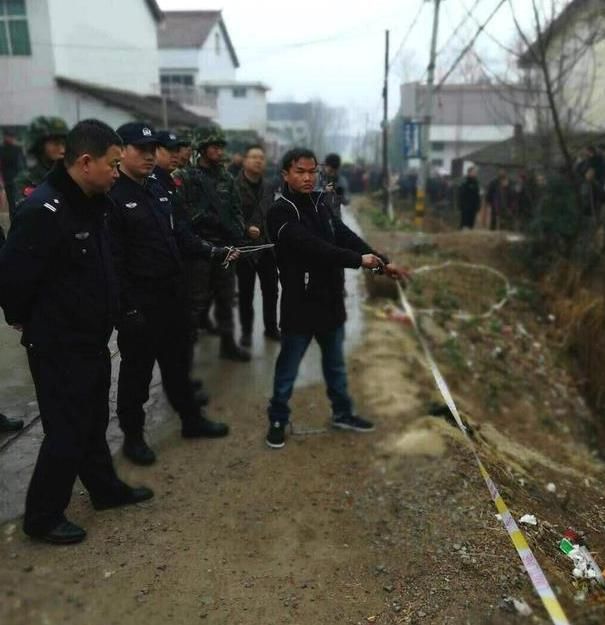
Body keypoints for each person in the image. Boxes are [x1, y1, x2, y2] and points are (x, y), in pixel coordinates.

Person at [0, 119, 154, 545]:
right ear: (86, 162)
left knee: (92, 421)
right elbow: (11, 280)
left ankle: (104, 489)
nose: (117, 172)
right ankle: (43, 516)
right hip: (58, 343)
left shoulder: (91, 202)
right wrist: (28, 319)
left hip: (90, 338)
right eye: (113, 164)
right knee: (66, 430)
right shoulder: (44, 211)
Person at [265, 148, 407, 449]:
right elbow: (312, 247)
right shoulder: (280, 212)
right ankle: (277, 419)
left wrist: (382, 262)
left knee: (335, 365)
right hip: (299, 303)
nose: (307, 177)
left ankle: (343, 412)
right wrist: (358, 260)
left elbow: (343, 235)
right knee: (288, 367)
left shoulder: (321, 203)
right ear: (286, 175)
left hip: (330, 299)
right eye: (300, 172)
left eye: (311, 172)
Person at [109, 122, 231, 466]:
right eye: (141, 150)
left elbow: (183, 235)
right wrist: (126, 309)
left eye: (153, 150)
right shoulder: (112, 196)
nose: (149, 156)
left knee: (177, 364)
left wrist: (212, 251)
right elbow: (113, 263)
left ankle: (191, 420)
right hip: (140, 303)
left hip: (172, 293)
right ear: (121, 152)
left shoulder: (159, 189)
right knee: (137, 374)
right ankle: (134, 437)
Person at [174, 126, 250, 362]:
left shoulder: (227, 178)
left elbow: (236, 209)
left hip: (225, 248)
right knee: (195, 303)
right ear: (203, 149)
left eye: (220, 147)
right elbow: (181, 213)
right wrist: (207, 223)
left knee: (226, 299)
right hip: (200, 250)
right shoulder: (185, 177)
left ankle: (228, 345)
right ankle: (183, 357)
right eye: (214, 147)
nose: (219, 151)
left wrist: (237, 231)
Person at [235, 144, 280, 347]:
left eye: (261, 157)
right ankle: (246, 332)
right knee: (245, 292)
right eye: (254, 157)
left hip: (267, 247)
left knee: (271, 290)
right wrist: (246, 228)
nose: (258, 161)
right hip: (245, 247)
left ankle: (271, 328)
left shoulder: (269, 186)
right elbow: (229, 215)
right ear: (245, 160)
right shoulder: (233, 186)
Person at [14, 116, 68, 209]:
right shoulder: (28, 179)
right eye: (55, 143)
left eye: (64, 143)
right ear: (39, 146)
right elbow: (27, 212)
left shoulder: (73, 176)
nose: (62, 149)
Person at [0, 127, 26, 219]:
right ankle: (14, 220)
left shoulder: (17, 149)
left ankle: (18, 219)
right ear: (5, 137)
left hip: (17, 179)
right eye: (8, 136)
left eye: (11, 136)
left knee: (17, 201)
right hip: (7, 179)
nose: (10, 138)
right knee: (11, 203)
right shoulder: (1, 149)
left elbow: (23, 164)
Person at [321, 152, 350, 219]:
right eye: (330, 171)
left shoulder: (341, 180)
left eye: (335, 171)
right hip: (319, 217)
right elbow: (310, 196)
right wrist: (324, 190)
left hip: (335, 217)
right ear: (325, 166)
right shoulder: (317, 178)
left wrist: (341, 194)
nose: (333, 174)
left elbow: (346, 202)